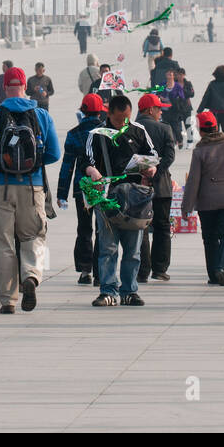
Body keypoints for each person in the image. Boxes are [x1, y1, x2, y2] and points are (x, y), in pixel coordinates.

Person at [0, 66, 61, 313]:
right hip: (32, 187)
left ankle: (7, 300)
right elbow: (54, 153)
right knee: (33, 236)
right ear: (26, 86)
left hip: (1, 186)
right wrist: (34, 164)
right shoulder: (41, 114)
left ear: (3, 88)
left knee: (3, 242)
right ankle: (31, 276)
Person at [84, 94, 157, 306]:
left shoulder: (139, 130)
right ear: (108, 114)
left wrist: (152, 168)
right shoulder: (97, 134)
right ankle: (108, 290)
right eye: (118, 120)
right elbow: (86, 159)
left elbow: (153, 155)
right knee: (108, 247)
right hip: (107, 196)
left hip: (135, 198)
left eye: (126, 118)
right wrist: (92, 170)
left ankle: (129, 290)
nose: (123, 123)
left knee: (133, 249)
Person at [181, 110, 224, 286]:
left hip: (207, 203)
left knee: (209, 238)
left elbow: (193, 181)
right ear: (217, 126)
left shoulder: (200, 151)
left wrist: (186, 207)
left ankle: (213, 274)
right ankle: (222, 268)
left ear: (201, 131)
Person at [58, 92, 108, 285]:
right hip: (102, 185)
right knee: (101, 229)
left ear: (83, 111)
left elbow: (67, 166)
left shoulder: (73, 134)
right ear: (100, 113)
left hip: (82, 188)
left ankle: (85, 270)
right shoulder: (106, 132)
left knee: (84, 229)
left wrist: (61, 193)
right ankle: (100, 272)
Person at [135, 92, 177, 282]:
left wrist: (142, 175)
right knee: (162, 226)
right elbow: (169, 157)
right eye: (159, 109)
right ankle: (159, 269)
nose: (161, 112)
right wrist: (156, 174)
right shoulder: (164, 129)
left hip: (136, 186)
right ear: (150, 110)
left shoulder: (129, 129)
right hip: (161, 187)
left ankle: (142, 270)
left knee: (140, 227)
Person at [198, 65, 224, 137]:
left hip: (213, 113)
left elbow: (205, 98)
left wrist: (199, 111)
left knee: (213, 135)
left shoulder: (212, 85)